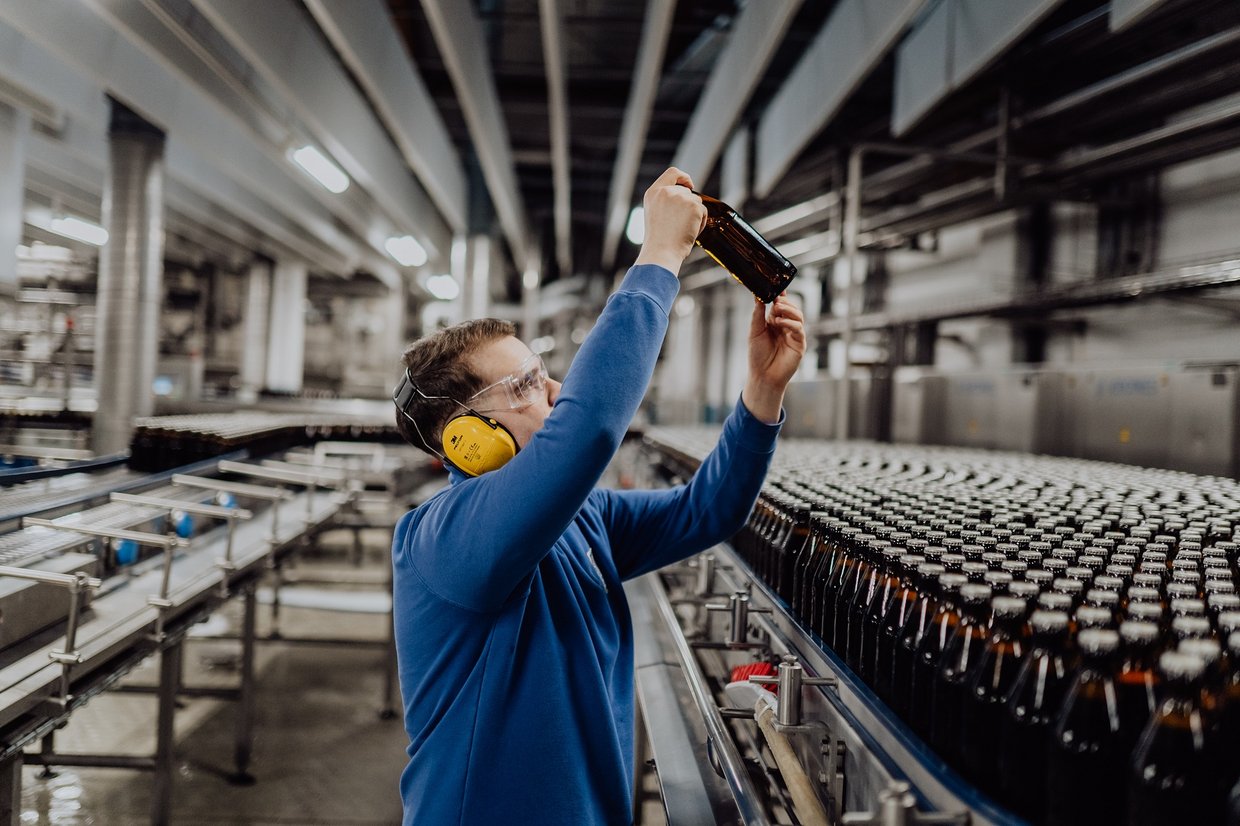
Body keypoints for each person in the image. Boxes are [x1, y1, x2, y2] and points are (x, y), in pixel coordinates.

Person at [390, 167, 806, 825]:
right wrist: (660, 256)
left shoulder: (585, 517)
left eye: (546, 374)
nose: (553, 392)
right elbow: (589, 431)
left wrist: (762, 394)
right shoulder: (441, 536)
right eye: (526, 386)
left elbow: (709, 510)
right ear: (470, 439)